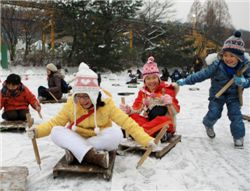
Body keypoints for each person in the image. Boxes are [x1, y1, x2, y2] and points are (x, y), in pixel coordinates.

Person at [26, 62, 156, 168]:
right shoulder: (72, 103)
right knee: (56, 131)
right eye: (79, 96)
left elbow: (127, 123)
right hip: (78, 135)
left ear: (95, 94)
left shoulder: (106, 103)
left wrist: (146, 140)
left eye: (86, 96)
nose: (83, 101)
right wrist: (37, 132)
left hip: (98, 137)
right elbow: (55, 122)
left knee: (116, 134)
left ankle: (76, 151)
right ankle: (91, 155)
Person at [177, 31, 250, 149]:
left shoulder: (245, 67)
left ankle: (238, 137)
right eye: (225, 55)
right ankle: (208, 124)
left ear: (239, 57)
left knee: (236, 115)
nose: (228, 58)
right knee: (214, 113)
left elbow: (249, 79)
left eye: (232, 56)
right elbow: (201, 74)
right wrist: (185, 80)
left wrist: (244, 82)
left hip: (234, 96)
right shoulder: (217, 66)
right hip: (217, 95)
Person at [120, 56, 180, 142]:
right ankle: (150, 133)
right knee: (132, 117)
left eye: (154, 77)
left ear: (158, 78)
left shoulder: (167, 89)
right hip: (149, 122)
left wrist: (170, 103)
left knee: (164, 120)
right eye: (148, 78)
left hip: (163, 122)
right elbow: (136, 108)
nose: (151, 81)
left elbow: (176, 111)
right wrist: (129, 110)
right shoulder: (143, 92)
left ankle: (136, 132)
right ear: (144, 81)